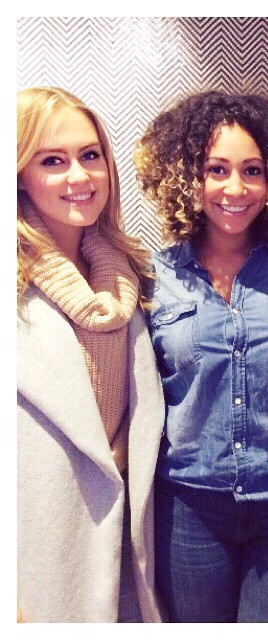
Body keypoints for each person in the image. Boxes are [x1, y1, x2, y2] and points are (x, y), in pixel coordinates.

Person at [134, 90, 268, 623]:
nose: (235, 188)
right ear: (186, 178)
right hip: (190, 505)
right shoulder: (153, 277)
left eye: (252, 170)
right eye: (216, 170)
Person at [17, 87, 165, 622]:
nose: (79, 176)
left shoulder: (131, 275)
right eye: (52, 161)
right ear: (18, 174)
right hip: (36, 548)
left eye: (90, 155)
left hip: (127, 536)